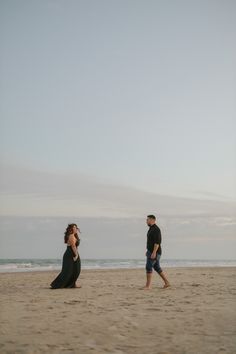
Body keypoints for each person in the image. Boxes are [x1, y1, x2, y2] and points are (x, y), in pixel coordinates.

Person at [143, 215, 170, 290]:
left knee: (148, 267)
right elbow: (150, 242)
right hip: (150, 252)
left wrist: (154, 252)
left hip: (155, 252)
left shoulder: (156, 229)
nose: (146, 221)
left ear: (152, 220)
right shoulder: (151, 229)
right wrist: (148, 251)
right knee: (157, 267)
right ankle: (167, 283)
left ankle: (148, 286)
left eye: (147, 220)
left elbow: (157, 242)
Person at [50, 223, 81, 289]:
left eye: (76, 227)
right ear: (71, 229)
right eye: (74, 228)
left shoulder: (74, 236)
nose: (75, 229)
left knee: (76, 270)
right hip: (70, 254)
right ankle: (57, 284)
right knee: (67, 271)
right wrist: (76, 255)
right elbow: (73, 246)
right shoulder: (71, 236)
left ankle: (72, 284)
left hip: (73, 253)